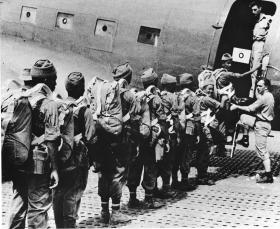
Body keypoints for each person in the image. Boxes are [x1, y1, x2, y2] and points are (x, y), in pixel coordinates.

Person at [7, 60, 60, 229]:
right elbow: (51, 140)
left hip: (18, 157)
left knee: (18, 202)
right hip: (39, 162)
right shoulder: (49, 104)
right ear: (46, 82)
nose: (55, 83)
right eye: (53, 79)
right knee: (38, 206)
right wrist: (54, 169)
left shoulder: (22, 97)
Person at [53, 72, 96, 228]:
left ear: (66, 88)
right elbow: (91, 137)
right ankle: (70, 225)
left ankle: (59, 225)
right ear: (83, 89)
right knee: (74, 193)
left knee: (58, 193)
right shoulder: (85, 110)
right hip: (78, 159)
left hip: (58, 155)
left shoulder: (58, 106)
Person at [230, 78, 274, 183]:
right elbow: (258, 97)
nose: (258, 88)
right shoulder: (269, 95)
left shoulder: (263, 98)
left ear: (266, 87)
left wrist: (236, 106)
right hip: (260, 122)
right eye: (257, 85)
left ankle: (268, 175)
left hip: (262, 126)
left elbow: (250, 108)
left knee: (261, 151)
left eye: (260, 86)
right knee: (243, 117)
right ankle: (245, 137)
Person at [172, 73, 198, 191]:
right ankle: (184, 180)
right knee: (186, 155)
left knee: (176, 154)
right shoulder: (193, 97)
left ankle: (174, 180)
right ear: (191, 84)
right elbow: (197, 117)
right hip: (189, 130)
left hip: (177, 129)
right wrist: (197, 133)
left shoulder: (176, 95)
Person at [249, 0, 272, 98]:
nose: (253, 12)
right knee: (251, 68)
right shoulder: (257, 20)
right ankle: (252, 92)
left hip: (260, 44)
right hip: (255, 44)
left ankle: (255, 94)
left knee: (255, 69)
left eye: (255, 10)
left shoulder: (267, 19)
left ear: (260, 8)